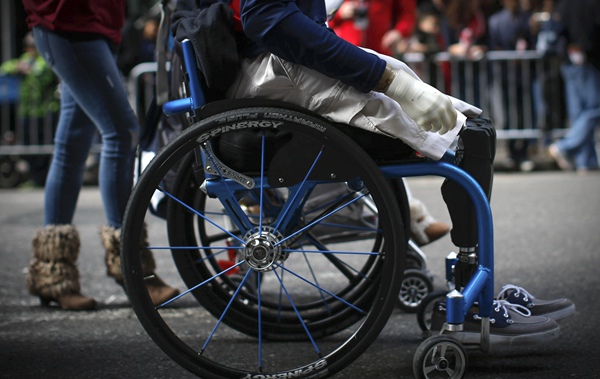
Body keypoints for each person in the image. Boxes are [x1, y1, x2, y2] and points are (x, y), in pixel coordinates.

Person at [171, 0, 575, 344]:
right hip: (277, 73)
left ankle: (473, 284)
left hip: (274, 68)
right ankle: (473, 297)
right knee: (471, 138)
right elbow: (267, 18)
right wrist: (388, 81)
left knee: (475, 131)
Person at [21, 0, 179, 311]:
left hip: (86, 27)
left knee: (73, 142)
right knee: (120, 132)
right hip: (69, 24)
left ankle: (54, 274)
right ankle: (132, 268)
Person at [0, 32, 59, 186]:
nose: (29, 50)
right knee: (28, 145)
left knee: (43, 147)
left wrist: (29, 69)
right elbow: (5, 67)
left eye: (32, 47)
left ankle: (41, 179)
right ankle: (34, 177)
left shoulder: (43, 60)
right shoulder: (25, 60)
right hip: (26, 111)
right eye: (28, 47)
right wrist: (18, 67)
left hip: (43, 112)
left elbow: (43, 74)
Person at [548, 0, 600, 174]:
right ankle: (565, 146)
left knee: (579, 113)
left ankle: (585, 161)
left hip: (569, 59)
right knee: (595, 108)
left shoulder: (564, 4)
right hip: (587, 59)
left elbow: (557, 28)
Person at [487, 0, 536, 171]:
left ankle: (523, 152)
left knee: (524, 112)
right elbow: (494, 45)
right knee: (508, 112)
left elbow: (531, 41)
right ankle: (511, 151)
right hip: (505, 73)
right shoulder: (496, 20)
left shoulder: (526, 19)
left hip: (523, 74)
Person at [328, 0, 417, 56]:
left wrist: (399, 32)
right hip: (346, 50)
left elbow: (407, 14)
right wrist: (339, 13)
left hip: (380, 51)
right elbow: (322, 18)